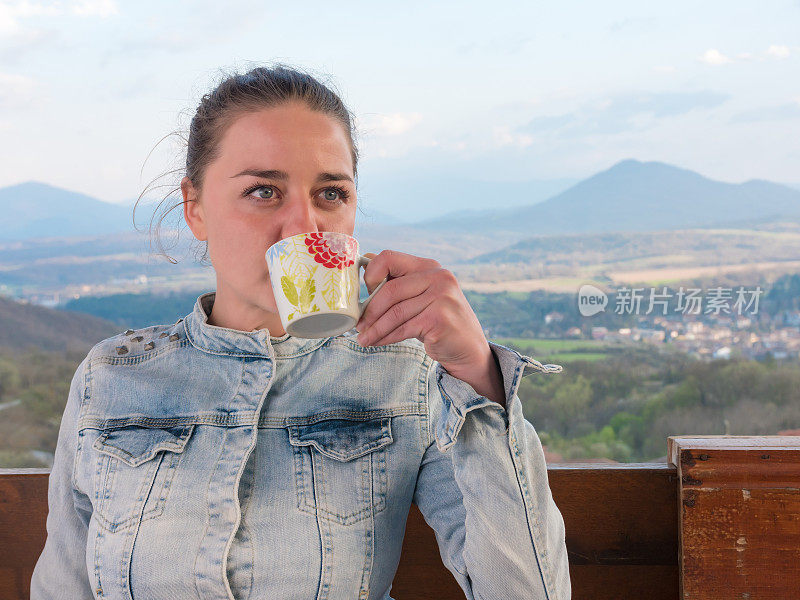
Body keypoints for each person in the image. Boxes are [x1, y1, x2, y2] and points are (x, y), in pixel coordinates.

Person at [30, 63, 571, 599]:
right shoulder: (113, 376)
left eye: (331, 194)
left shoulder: (408, 377)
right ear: (194, 208)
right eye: (264, 191)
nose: (305, 228)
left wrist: (477, 375)